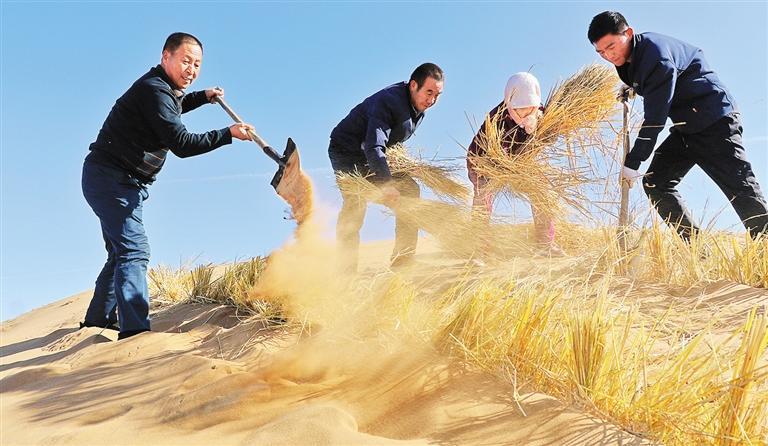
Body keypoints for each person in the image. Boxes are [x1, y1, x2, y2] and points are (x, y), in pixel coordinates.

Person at [81, 32, 254, 339]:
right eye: (186, 61)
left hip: (119, 181)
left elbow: (175, 105)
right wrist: (228, 134)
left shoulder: (163, 90)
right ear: (166, 57)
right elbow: (182, 144)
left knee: (121, 252)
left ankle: (99, 319)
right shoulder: (154, 90)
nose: (192, 69)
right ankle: (135, 332)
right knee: (134, 250)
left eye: (197, 64)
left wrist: (203, 96)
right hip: (111, 179)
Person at [588, 11, 768, 241]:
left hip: (715, 122)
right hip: (687, 128)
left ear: (628, 33)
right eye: (601, 52)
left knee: (741, 188)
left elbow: (655, 117)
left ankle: (765, 250)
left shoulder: (655, 56)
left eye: (611, 46)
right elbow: (656, 82)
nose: (608, 55)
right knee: (656, 183)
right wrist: (633, 85)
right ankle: (697, 249)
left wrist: (634, 161)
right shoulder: (634, 56)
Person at [329, 63, 444, 272]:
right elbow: (374, 145)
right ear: (413, 85)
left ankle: (403, 261)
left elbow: (390, 143)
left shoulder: (419, 109)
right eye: (429, 92)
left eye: (437, 95)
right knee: (355, 203)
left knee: (410, 190)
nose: (432, 100)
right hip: (346, 152)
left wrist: (405, 167)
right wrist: (387, 183)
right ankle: (345, 271)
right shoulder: (389, 102)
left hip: (371, 153)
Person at [466, 72, 564, 256]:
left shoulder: (540, 113)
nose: (526, 113)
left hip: (520, 161)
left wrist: (540, 128)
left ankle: (545, 244)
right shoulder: (496, 120)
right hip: (483, 162)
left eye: (530, 108)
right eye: (520, 109)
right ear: (510, 104)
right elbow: (499, 155)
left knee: (542, 189)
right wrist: (514, 166)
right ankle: (478, 251)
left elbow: (549, 137)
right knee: (483, 196)